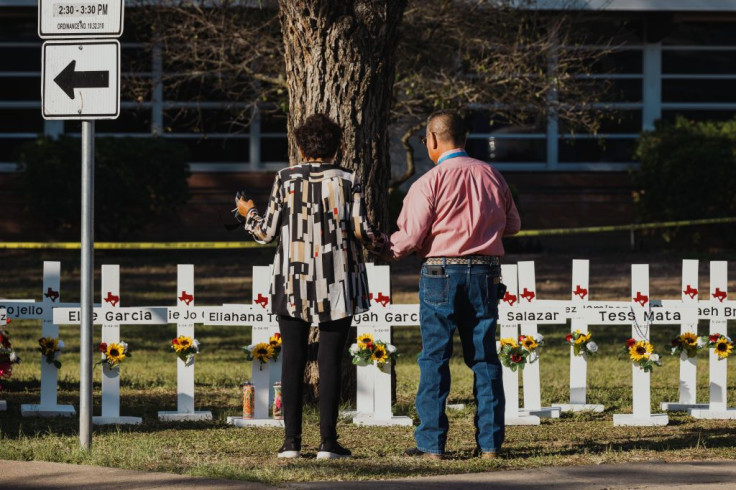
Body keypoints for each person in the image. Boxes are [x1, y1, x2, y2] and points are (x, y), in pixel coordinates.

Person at [237, 113, 388, 460]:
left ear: (301, 146)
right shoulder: (349, 180)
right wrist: (387, 246)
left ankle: (291, 442)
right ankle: (328, 442)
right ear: (339, 145)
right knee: (331, 358)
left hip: (293, 279)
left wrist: (247, 212)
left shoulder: (285, 179)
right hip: (337, 279)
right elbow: (364, 231)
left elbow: (267, 232)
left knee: (292, 358)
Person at [388, 109, 521, 460]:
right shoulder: (492, 175)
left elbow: (410, 236)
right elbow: (513, 225)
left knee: (434, 356)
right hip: (486, 271)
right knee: (485, 357)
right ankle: (490, 444)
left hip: (440, 272)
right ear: (464, 138)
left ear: (432, 140)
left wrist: (384, 245)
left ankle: (431, 444)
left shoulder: (427, 183)